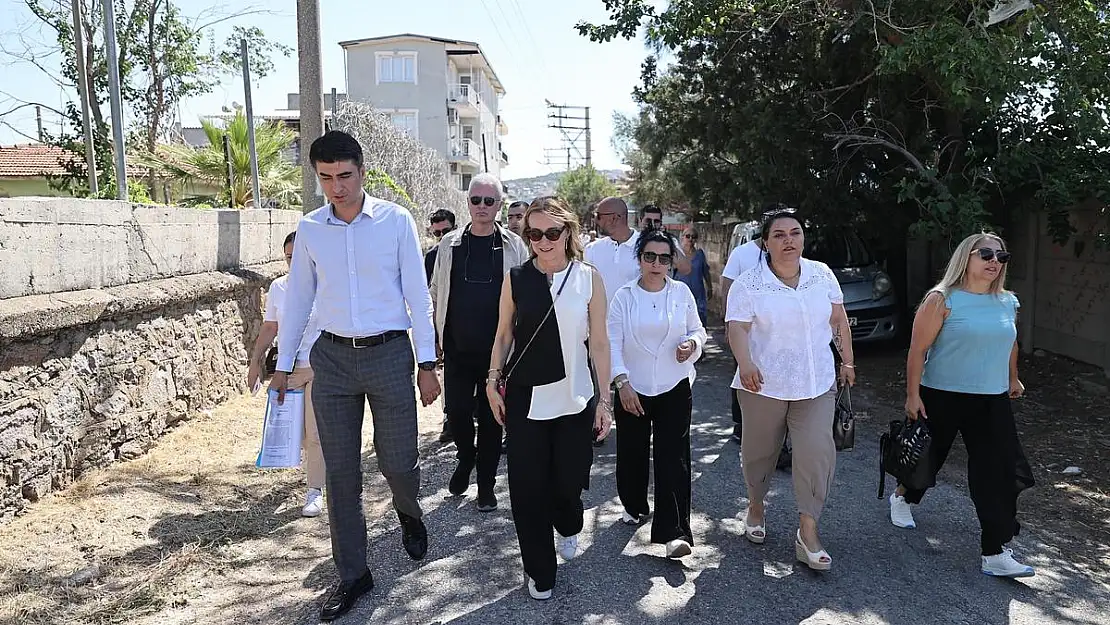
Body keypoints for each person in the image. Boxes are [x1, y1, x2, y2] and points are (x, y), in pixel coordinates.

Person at [271, 130, 441, 622]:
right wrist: (284, 366)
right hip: (332, 360)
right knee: (341, 475)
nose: (336, 187)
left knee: (399, 463)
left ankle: (408, 510)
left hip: (390, 355)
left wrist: (427, 364)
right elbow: (300, 298)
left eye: (345, 176)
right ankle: (353, 575)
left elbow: (418, 293)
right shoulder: (310, 228)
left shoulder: (395, 221)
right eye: (326, 178)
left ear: (362, 172)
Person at [486, 196, 612, 601]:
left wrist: (604, 400)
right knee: (526, 488)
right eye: (534, 233)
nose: (543, 241)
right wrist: (492, 380)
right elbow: (504, 334)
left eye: (551, 233)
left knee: (567, 481)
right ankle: (540, 569)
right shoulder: (516, 279)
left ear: (568, 232)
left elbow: (600, 344)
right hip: (526, 398)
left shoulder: (588, 278)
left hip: (575, 399)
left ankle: (570, 522)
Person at [892, 232, 1035, 578]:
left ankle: (995, 551)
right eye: (984, 254)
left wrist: (1012, 377)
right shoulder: (942, 299)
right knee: (930, 456)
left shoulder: (1007, 302)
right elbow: (917, 350)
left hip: (991, 397)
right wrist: (913, 395)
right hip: (942, 393)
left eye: (1001, 256)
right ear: (965, 258)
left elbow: (1010, 343)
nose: (993, 261)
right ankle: (904, 497)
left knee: (996, 471)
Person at [727, 210, 855, 572]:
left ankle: (808, 532)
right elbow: (736, 328)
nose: (788, 241)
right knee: (759, 453)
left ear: (803, 238)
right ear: (765, 243)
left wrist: (847, 362)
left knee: (816, 452)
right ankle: (755, 504)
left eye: (795, 233)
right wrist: (745, 363)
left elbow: (839, 321)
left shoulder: (822, 275)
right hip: (762, 385)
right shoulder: (749, 283)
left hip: (815, 384)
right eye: (779, 235)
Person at [430, 173, 529, 512]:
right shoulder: (450, 244)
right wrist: (434, 336)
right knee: (456, 411)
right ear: (468, 202)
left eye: (490, 201)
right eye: (476, 200)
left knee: (491, 421)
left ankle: (485, 485)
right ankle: (465, 457)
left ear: (500, 205)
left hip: (498, 354)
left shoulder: (515, 246)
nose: (482, 207)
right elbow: (437, 291)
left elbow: (527, 295)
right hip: (457, 348)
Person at [609, 227, 707, 559]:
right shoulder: (623, 296)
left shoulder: (681, 294)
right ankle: (635, 505)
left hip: (674, 386)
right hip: (632, 389)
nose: (656, 263)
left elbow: (698, 330)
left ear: (671, 262)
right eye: (650, 256)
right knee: (633, 454)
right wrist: (622, 383)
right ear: (639, 259)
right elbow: (611, 344)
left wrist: (692, 344)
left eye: (664, 258)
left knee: (673, 458)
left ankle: (674, 532)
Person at [247, 232, 325, 518]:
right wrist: (255, 361)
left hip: (319, 368)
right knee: (300, 434)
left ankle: (315, 490)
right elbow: (270, 327)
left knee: (315, 433)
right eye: (289, 257)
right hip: (288, 369)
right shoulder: (279, 287)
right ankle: (313, 474)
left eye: (299, 256)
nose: (295, 262)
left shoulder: (326, 284)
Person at [425, 208, 457, 444]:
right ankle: (450, 420)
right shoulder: (431, 257)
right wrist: (434, 334)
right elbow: (430, 297)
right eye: (438, 233)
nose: (442, 236)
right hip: (445, 325)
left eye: (446, 231)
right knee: (447, 374)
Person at [676, 227, 713, 325]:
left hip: (698, 293)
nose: (690, 239)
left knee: (700, 320)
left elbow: (705, 272)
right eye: (688, 236)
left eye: (694, 237)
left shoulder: (700, 254)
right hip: (681, 293)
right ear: (682, 237)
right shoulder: (677, 254)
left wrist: (710, 287)